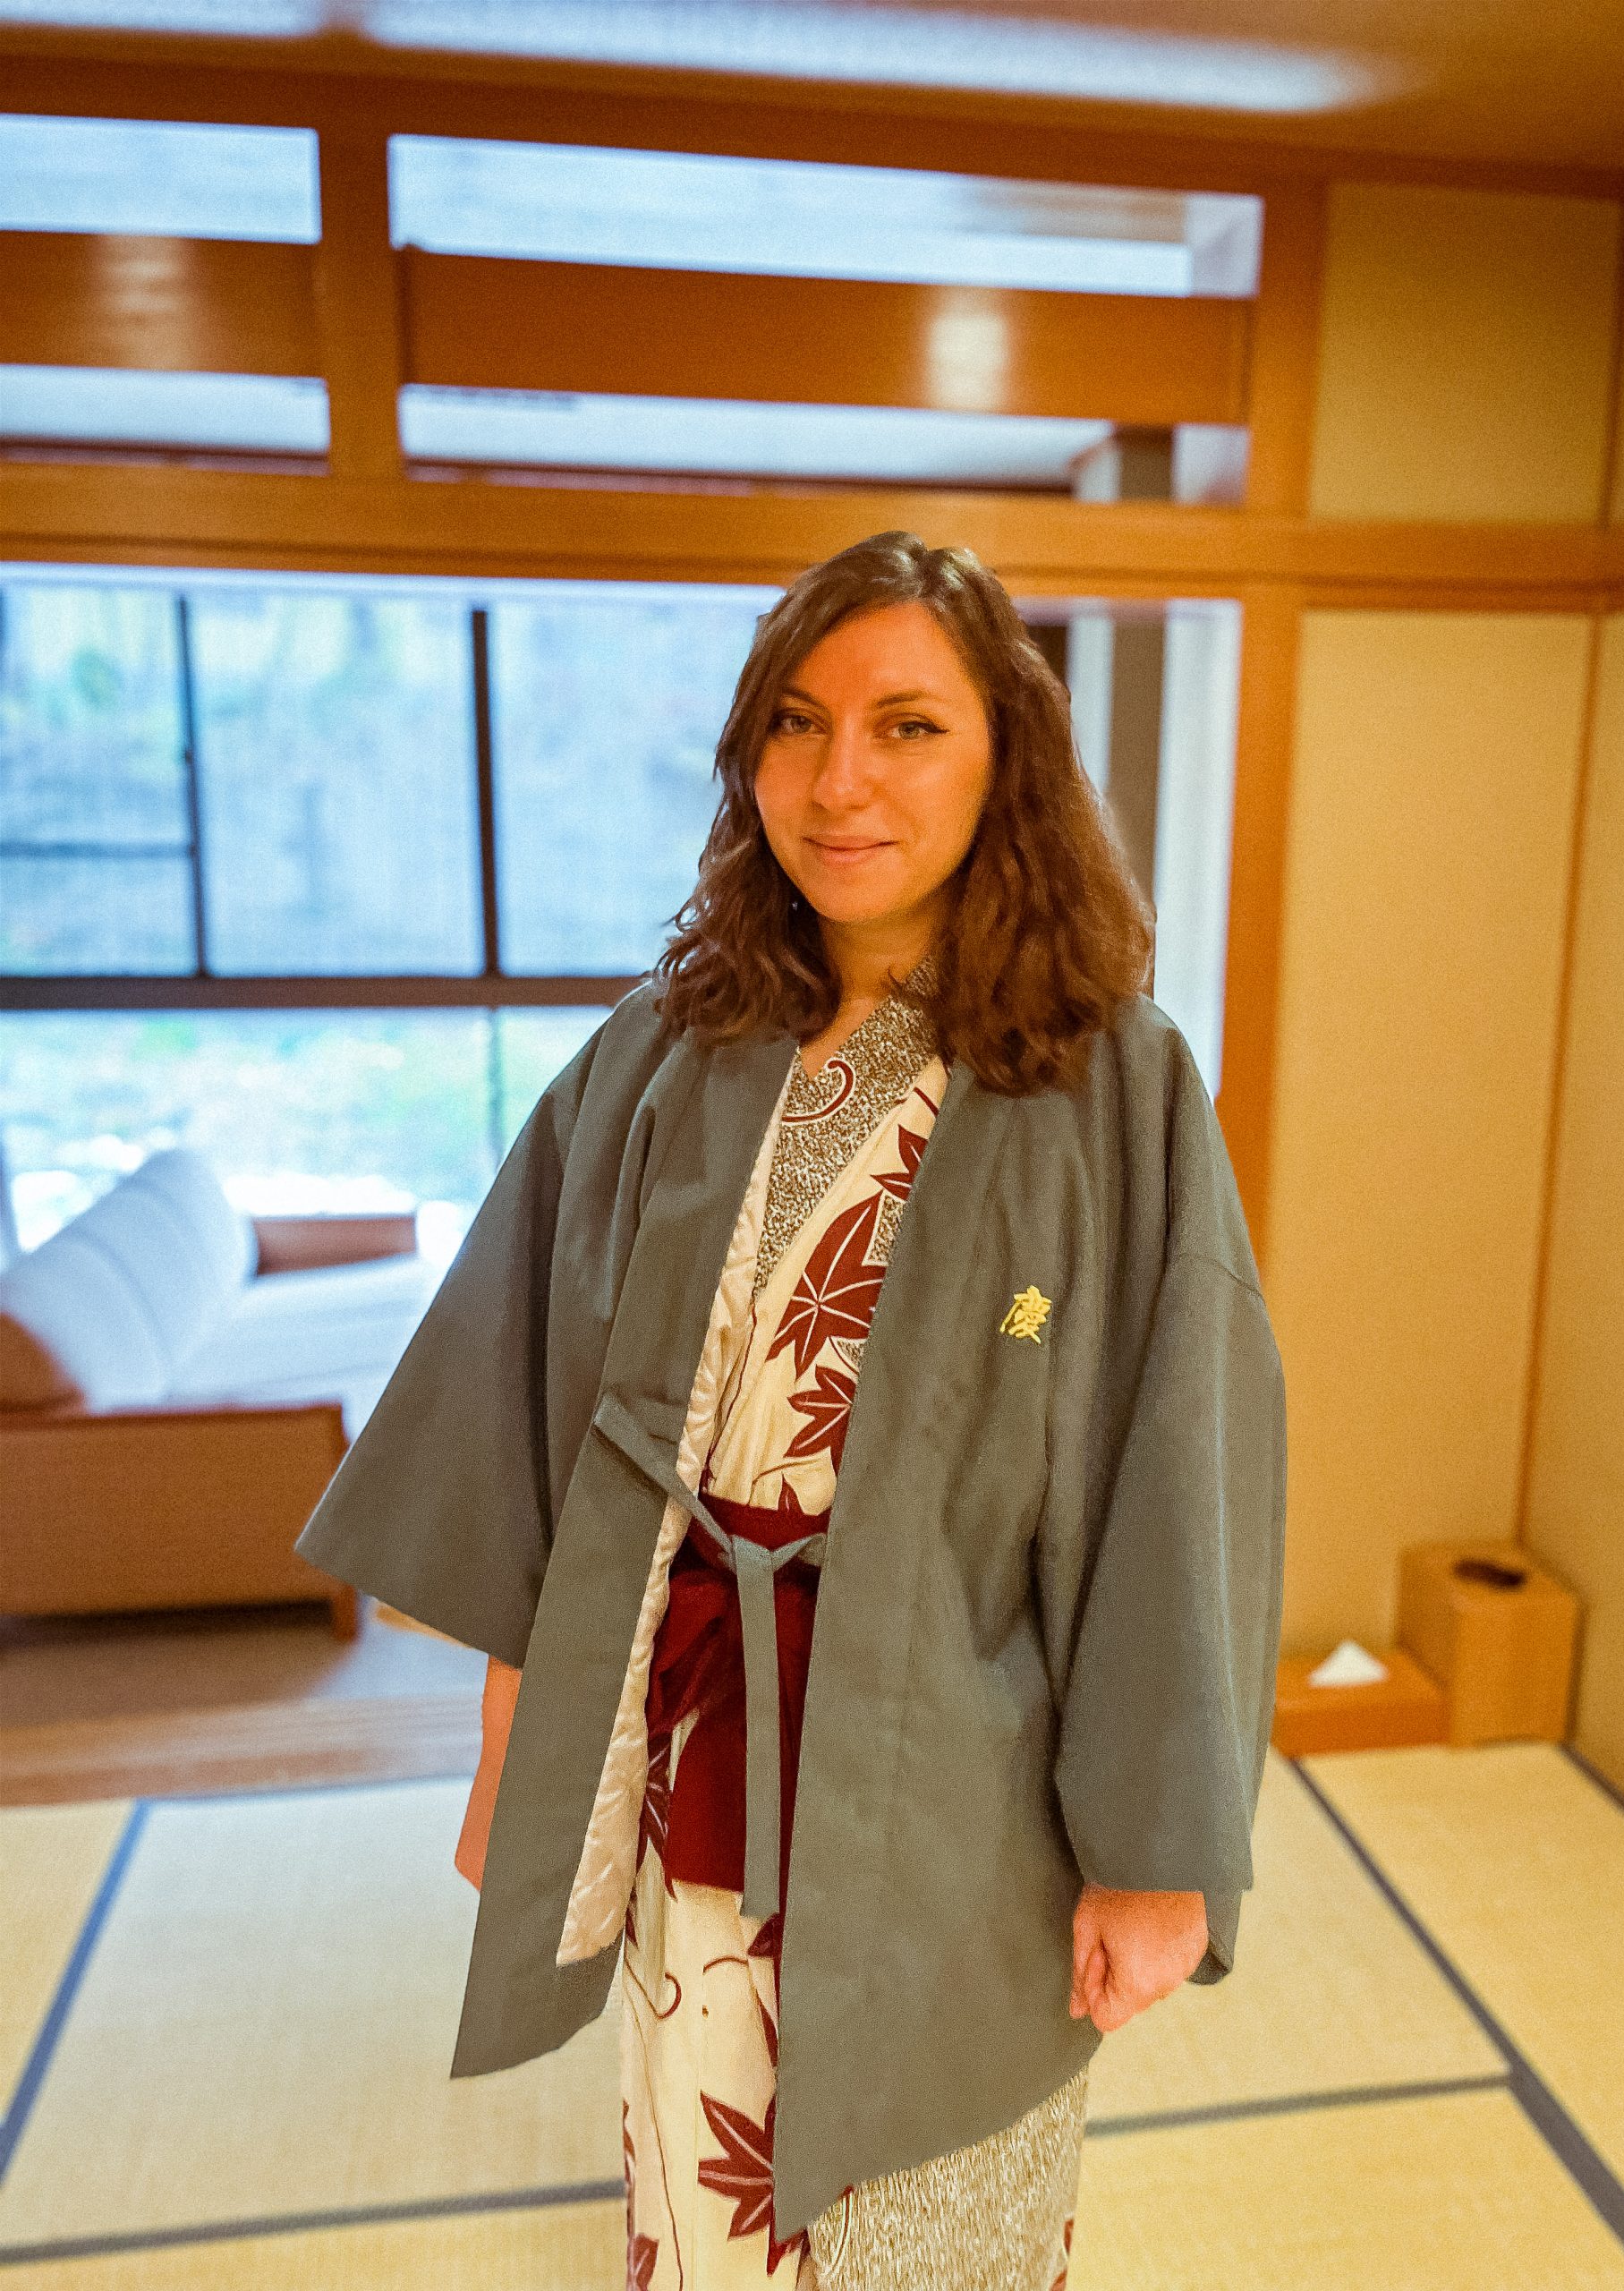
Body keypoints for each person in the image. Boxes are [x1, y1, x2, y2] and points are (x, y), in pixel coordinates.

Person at [294, 530, 1287, 2291]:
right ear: (749, 754)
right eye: (799, 723)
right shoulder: (662, 1051)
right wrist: (513, 1751)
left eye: (907, 725)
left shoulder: (1113, 1078)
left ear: (1007, 760)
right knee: (707, 2184)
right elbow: (539, 1445)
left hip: (963, 1769)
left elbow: (1177, 1479)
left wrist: (1158, 1853)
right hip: (692, 1752)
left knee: (938, 2183)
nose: (842, 781)